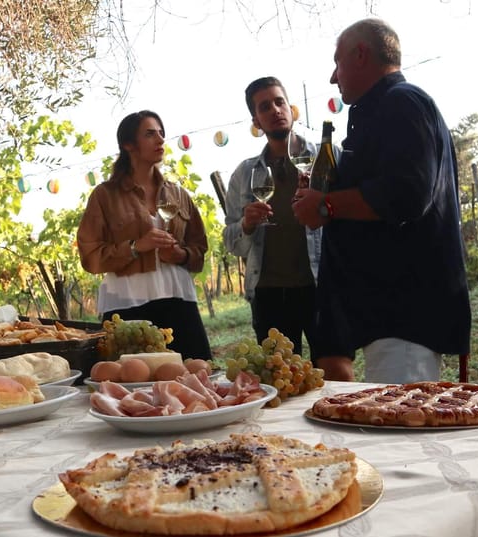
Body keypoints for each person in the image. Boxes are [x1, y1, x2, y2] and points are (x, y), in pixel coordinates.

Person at [291, 18, 471, 383]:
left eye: (337, 62)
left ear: (360, 55)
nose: (332, 77)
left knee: (401, 429)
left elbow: (406, 194)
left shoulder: (403, 102)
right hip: (387, 317)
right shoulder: (386, 109)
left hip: (404, 318)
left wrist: (326, 206)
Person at [77, 110, 212, 359]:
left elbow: (199, 250)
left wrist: (180, 254)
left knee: (196, 376)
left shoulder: (179, 194)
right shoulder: (105, 195)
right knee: (134, 386)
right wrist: (135, 247)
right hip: (127, 303)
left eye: (161, 133)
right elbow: (90, 256)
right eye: (150, 134)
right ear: (128, 144)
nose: (160, 140)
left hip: (178, 299)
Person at [222, 76, 331, 361]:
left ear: (290, 108)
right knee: (282, 378)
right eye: (264, 107)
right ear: (256, 122)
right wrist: (246, 224)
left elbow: (345, 219)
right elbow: (232, 244)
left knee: (333, 373)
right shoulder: (245, 174)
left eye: (279, 102)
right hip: (269, 296)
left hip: (321, 287)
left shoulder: (324, 158)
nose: (275, 110)